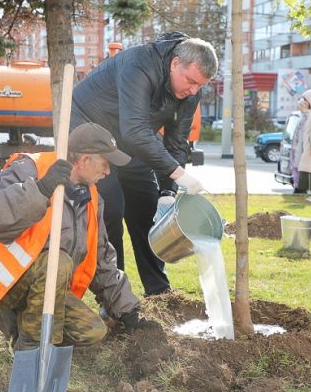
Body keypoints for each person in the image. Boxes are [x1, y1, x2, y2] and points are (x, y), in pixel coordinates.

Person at [0, 123, 157, 352]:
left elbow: (101, 259)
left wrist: (128, 311)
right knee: (58, 261)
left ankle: (24, 321)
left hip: (48, 291)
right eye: (105, 164)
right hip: (2, 284)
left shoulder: (91, 197)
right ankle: (30, 347)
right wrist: (41, 189)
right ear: (85, 160)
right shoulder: (29, 169)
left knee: (94, 331)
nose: (108, 172)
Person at [69, 31, 218, 296]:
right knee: (110, 209)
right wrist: (178, 173)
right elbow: (135, 130)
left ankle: (159, 292)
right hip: (91, 131)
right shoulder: (138, 64)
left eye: (200, 86)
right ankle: (113, 296)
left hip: (131, 141)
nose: (194, 91)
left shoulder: (189, 92)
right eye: (191, 81)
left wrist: (168, 192)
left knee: (148, 209)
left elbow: (176, 143)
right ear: (175, 63)